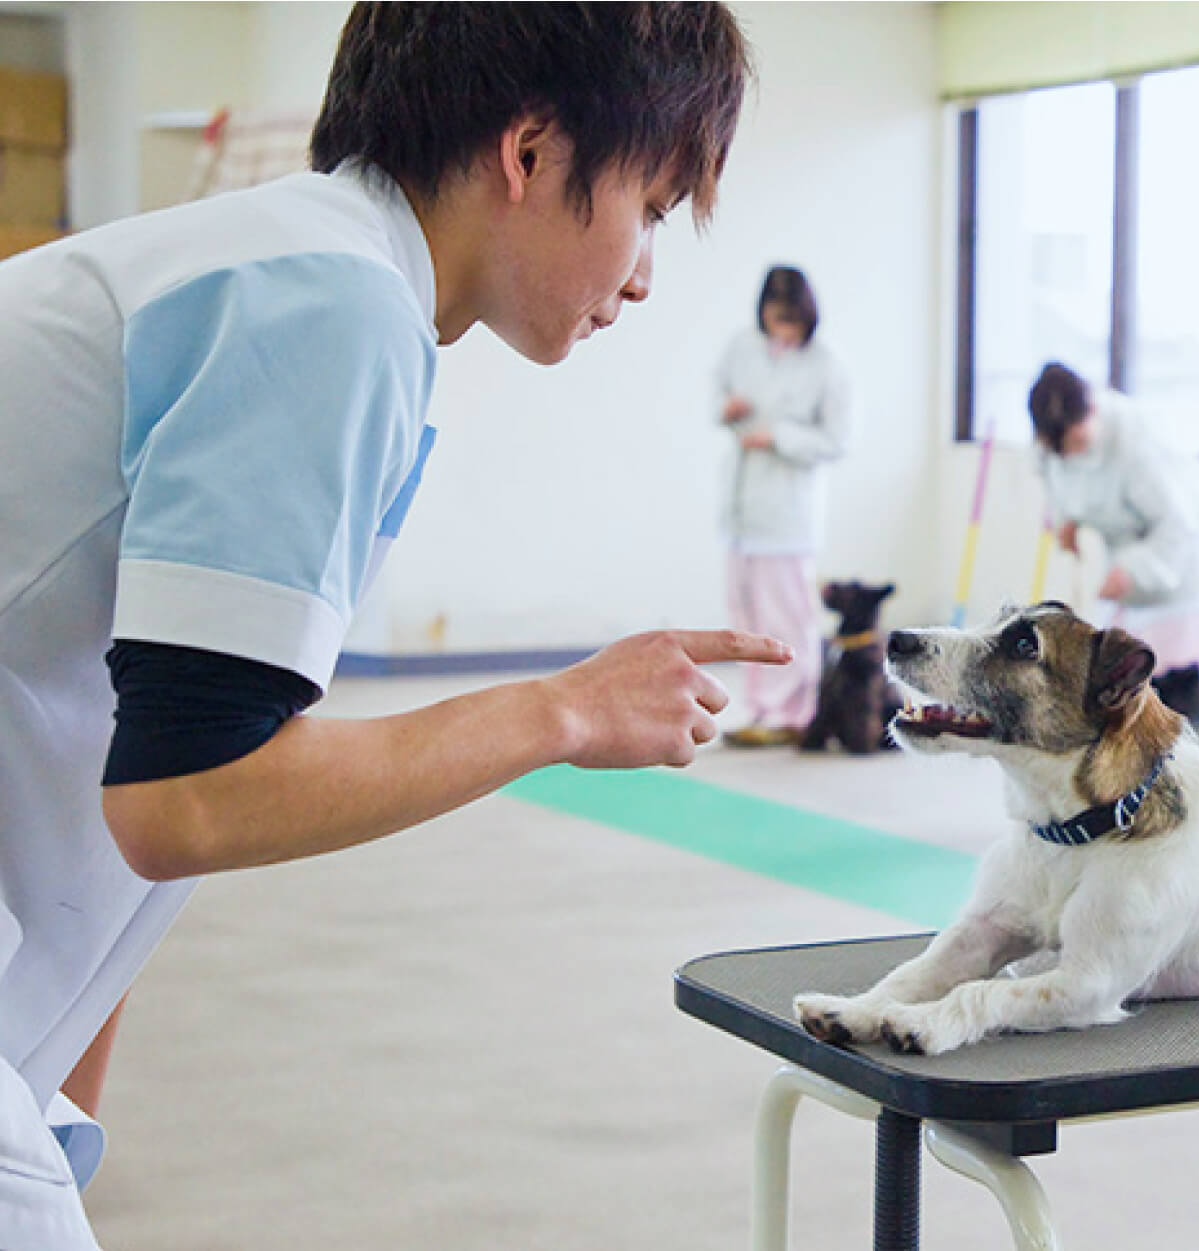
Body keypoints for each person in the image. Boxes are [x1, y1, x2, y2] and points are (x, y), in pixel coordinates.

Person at [0, 7, 786, 1246]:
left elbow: (155, 768)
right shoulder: (330, 303)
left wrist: (48, 1106)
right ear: (529, 153)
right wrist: (565, 708)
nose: (642, 276)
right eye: (650, 206)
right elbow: (187, 796)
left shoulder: (299, 275)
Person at [1026, 362, 1199, 714]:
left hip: (1176, 560)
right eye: (1061, 450)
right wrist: (1068, 518)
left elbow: (1177, 525)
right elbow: (1058, 478)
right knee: (1117, 679)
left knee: (1169, 689)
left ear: (1094, 412)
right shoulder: (1050, 443)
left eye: (1077, 443)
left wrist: (1134, 571)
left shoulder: (1139, 445)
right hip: (1123, 558)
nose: (1070, 455)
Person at [714, 265, 853, 747]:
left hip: (787, 513)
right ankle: (759, 709)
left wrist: (779, 437)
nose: (783, 328)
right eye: (775, 317)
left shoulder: (827, 364)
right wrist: (726, 409)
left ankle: (796, 711)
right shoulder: (742, 347)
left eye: (792, 318)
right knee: (746, 615)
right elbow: (718, 393)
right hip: (742, 508)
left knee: (787, 616)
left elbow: (836, 440)